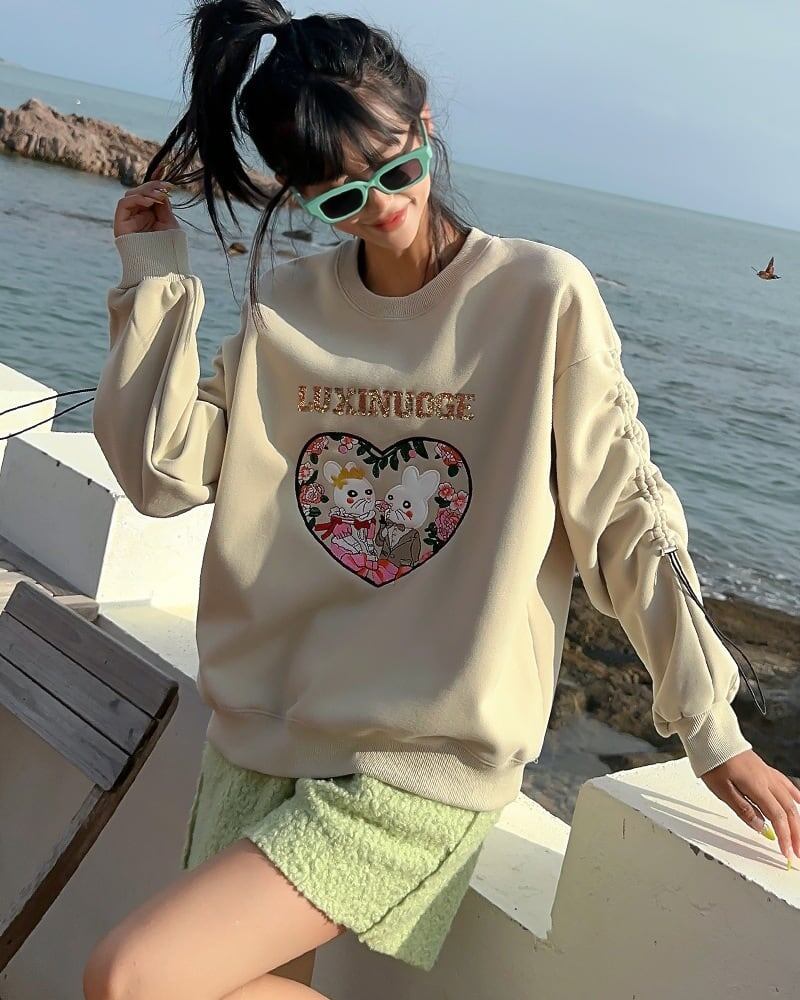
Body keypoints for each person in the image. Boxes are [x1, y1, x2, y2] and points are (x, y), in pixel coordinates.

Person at [82, 1, 800, 997]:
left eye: (395, 170)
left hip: (420, 761)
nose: (381, 208)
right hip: (260, 730)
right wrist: (155, 282)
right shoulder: (286, 307)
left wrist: (709, 725)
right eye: (339, 197)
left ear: (423, 124)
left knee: (132, 978)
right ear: (298, 195)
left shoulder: (538, 295)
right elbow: (161, 472)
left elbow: (626, 516)